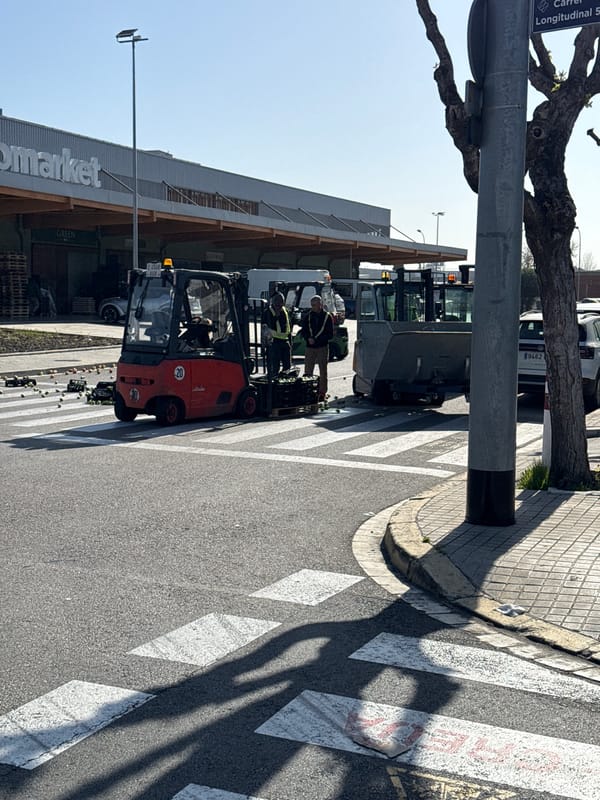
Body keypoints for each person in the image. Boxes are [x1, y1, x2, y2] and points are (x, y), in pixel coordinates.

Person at [300, 294, 334, 401]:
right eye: (312, 305)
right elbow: (304, 330)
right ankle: (307, 391)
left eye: (315, 305)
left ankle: (322, 392)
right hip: (310, 347)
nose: (313, 307)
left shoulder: (327, 317)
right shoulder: (308, 316)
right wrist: (308, 338)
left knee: (323, 371)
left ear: (320, 305)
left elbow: (330, 334)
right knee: (308, 370)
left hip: (322, 347)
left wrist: (317, 340)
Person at [261, 292, 292, 376]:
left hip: (285, 342)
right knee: (274, 367)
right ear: (273, 302)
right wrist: (263, 346)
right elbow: (264, 330)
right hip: (273, 343)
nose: (279, 303)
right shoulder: (267, 312)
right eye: (277, 301)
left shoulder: (285, 311)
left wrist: (290, 342)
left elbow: (289, 328)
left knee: (287, 367)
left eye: (281, 301)